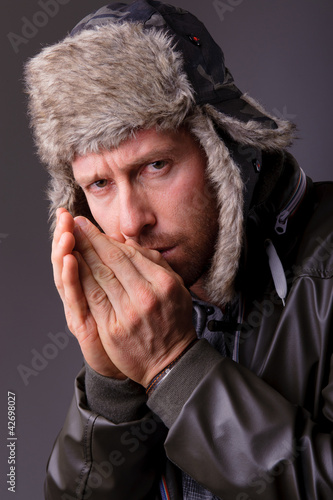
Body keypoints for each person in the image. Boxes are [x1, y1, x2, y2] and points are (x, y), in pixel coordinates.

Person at [24, 1, 333, 499]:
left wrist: (172, 365)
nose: (130, 222)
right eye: (100, 183)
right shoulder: (139, 316)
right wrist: (111, 387)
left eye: (155, 166)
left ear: (226, 149)